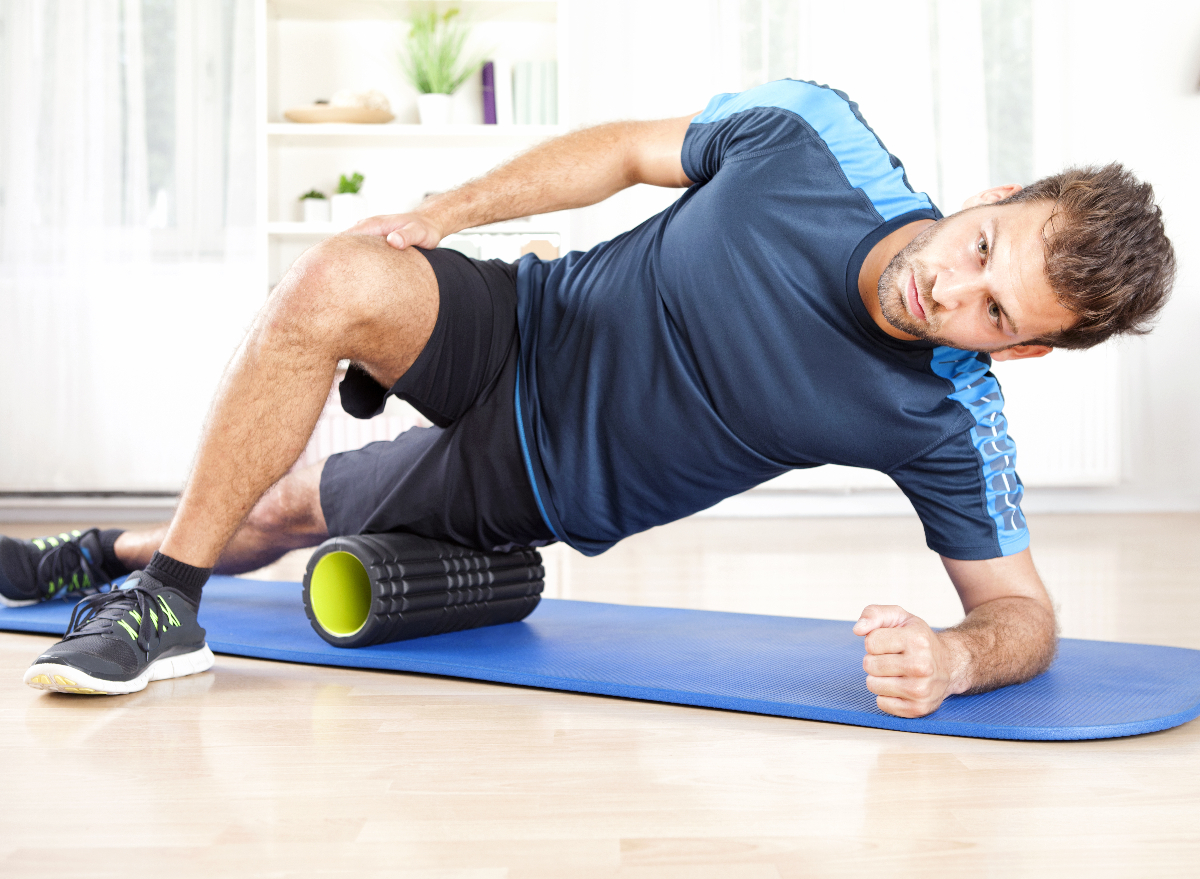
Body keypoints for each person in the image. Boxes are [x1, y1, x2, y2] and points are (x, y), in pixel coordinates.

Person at [1, 80, 1174, 716]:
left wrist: (958, 661)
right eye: (981, 248)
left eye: (996, 313)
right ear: (993, 193)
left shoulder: (945, 415)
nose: (948, 292)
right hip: (524, 320)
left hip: (539, 478)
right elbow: (622, 149)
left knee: (302, 509)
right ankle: (163, 606)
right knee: (337, 278)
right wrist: (448, 215)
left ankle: (98, 553)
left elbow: (1024, 612)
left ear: (1018, 354)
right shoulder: (813, 141)